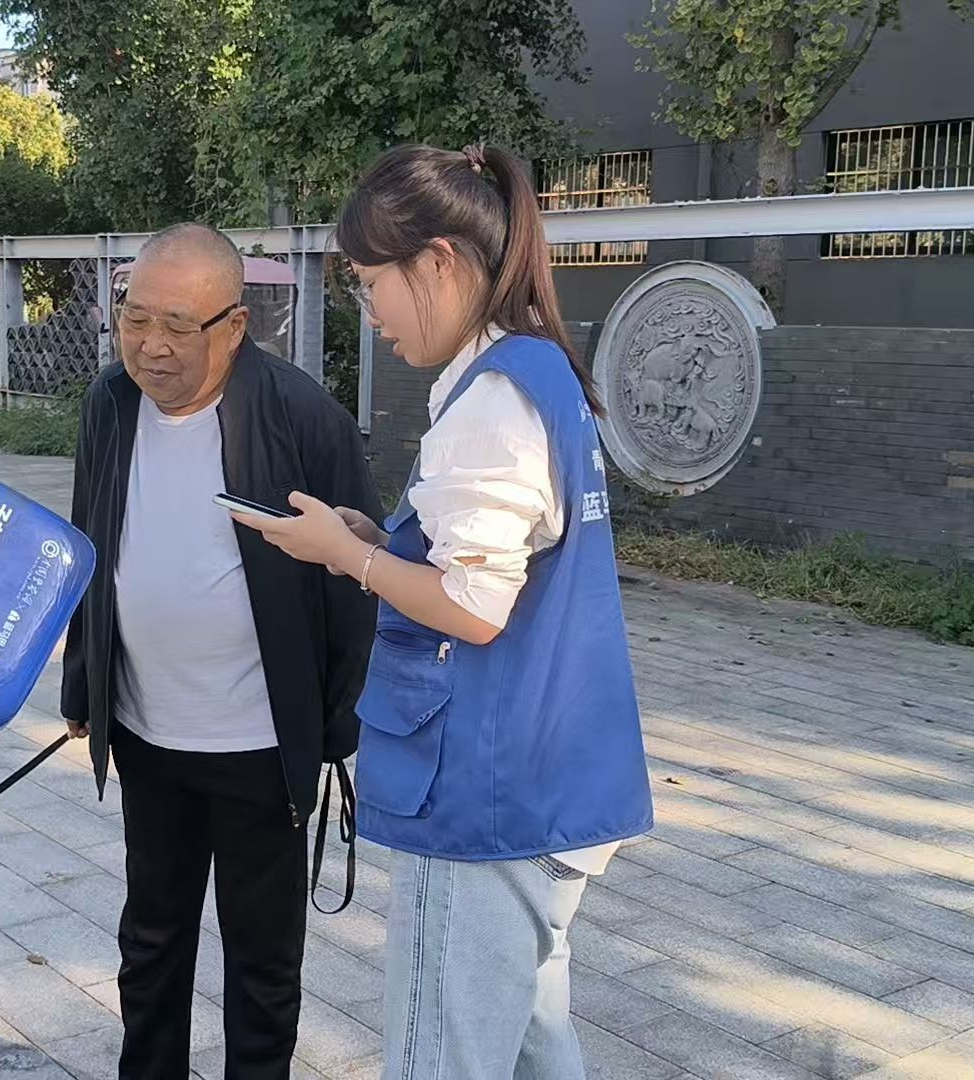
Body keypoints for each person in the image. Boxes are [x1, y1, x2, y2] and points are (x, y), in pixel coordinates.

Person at [233, 144, 654, 1080]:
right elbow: (488, 561)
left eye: (369, 281)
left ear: (438, 262)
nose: (369, 309)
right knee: (533, 1039)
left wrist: (348, 556)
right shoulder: (536, 371)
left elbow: (475, 607)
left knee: (445, 1055)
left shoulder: (491, 397)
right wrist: (372, 541)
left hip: (486, 797)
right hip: (550, 781)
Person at [62, 223, 381, 1080]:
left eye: (178, 325)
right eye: (135, 320)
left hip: (259, 746)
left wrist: (333, 727)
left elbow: (358, 583)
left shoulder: (303, 418)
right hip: (148, 732)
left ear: (234, 326)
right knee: (150, 942)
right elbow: (88, 543)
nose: (151, 347)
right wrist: (84, 686)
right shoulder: (110, 404)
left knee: (263, 961)